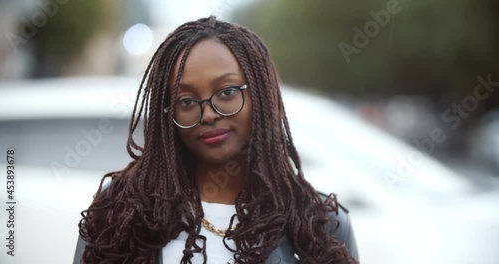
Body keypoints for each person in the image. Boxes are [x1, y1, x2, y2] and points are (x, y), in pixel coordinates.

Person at [74, 16, 359, 264]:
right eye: (186, 101)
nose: (208, 114)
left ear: (261, 96)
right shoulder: (119, 212)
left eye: (226, 93)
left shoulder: (320, 225)